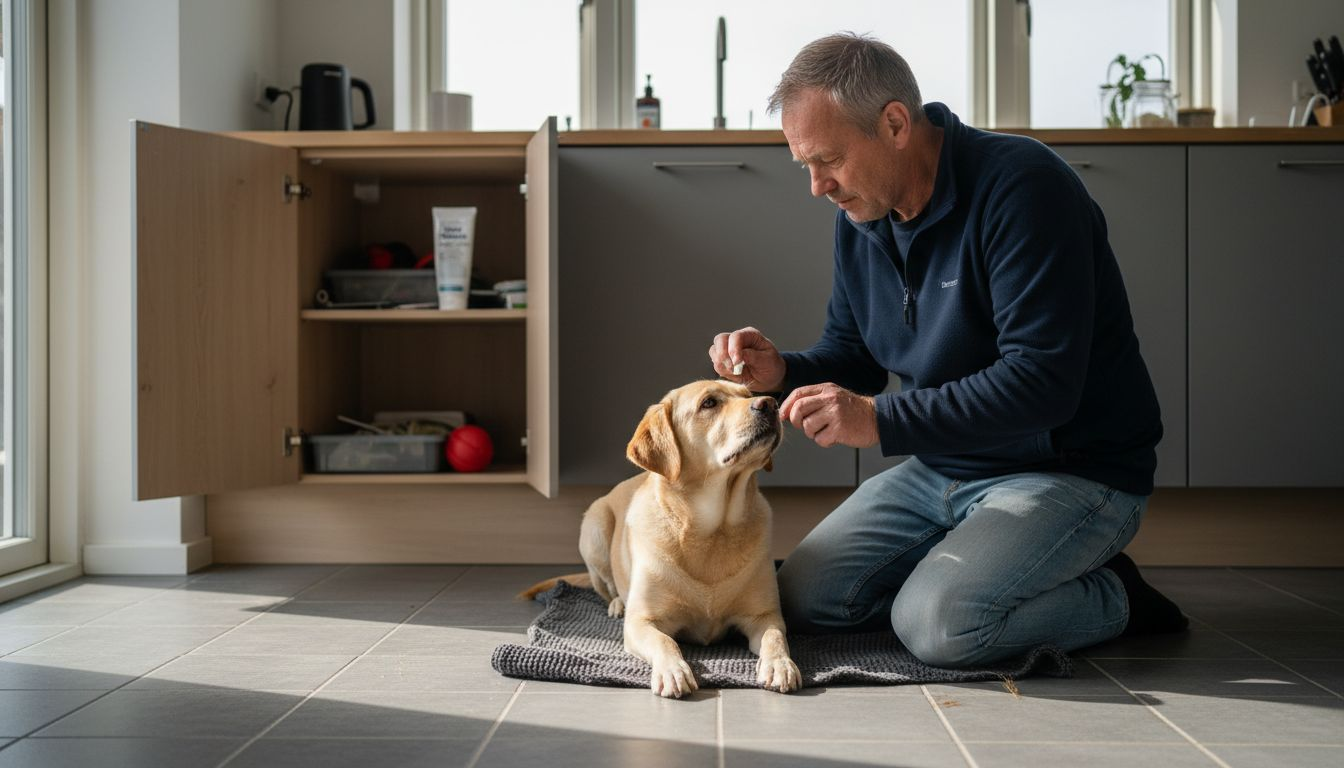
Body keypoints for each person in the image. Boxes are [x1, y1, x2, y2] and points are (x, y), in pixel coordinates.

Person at [707, 32, 1187, 668]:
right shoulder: (862, 215)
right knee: (803, 597)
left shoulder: (1024, 189)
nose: (818, 186)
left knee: (940, 627)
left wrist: (878, 420)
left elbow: (1042, 382)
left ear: (896, 124)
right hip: (945, 466)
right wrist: (783, 370)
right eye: (806, 166)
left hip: (1072, 470)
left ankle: (1115, 596)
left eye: (828, 160)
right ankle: (990, 575)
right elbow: (855, 354)